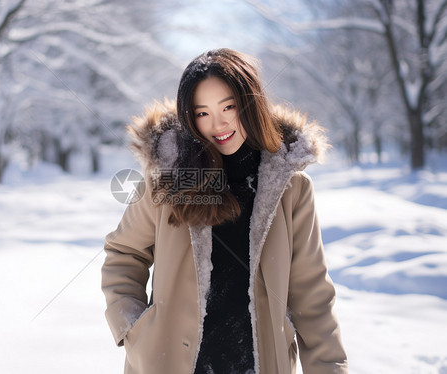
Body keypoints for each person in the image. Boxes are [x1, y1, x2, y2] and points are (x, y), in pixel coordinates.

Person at [101, 48, 348, 374]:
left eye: (229, 107)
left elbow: (312, 294)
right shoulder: (167, 179)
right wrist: (135, 327)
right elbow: (124, 253)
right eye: (201, 113)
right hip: (171, 362)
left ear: (252, 102)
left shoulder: (292, 188)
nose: (217, 124)